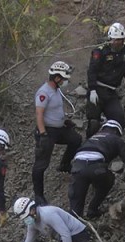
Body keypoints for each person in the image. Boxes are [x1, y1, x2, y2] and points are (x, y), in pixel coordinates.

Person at [33, 61, 82, 206]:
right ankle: (38, 195)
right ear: (56, 78)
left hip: (59, 128)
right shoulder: (44, 93)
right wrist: (43, 134)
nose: (66, 81)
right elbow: (39, 114)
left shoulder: (56, 90)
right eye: (64, 78)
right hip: (47, 131)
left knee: (76, 140)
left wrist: (64, 121)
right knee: (41, 165)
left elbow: (55, 110)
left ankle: (65, 164)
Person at [68, 119, 125, 218]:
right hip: (96, 168)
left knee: (76, 203)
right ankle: (92, 209)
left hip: (77, 168)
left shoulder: (91, 139)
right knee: (108, 180)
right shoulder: (115, 139)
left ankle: (75, 225)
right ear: (117, 131)